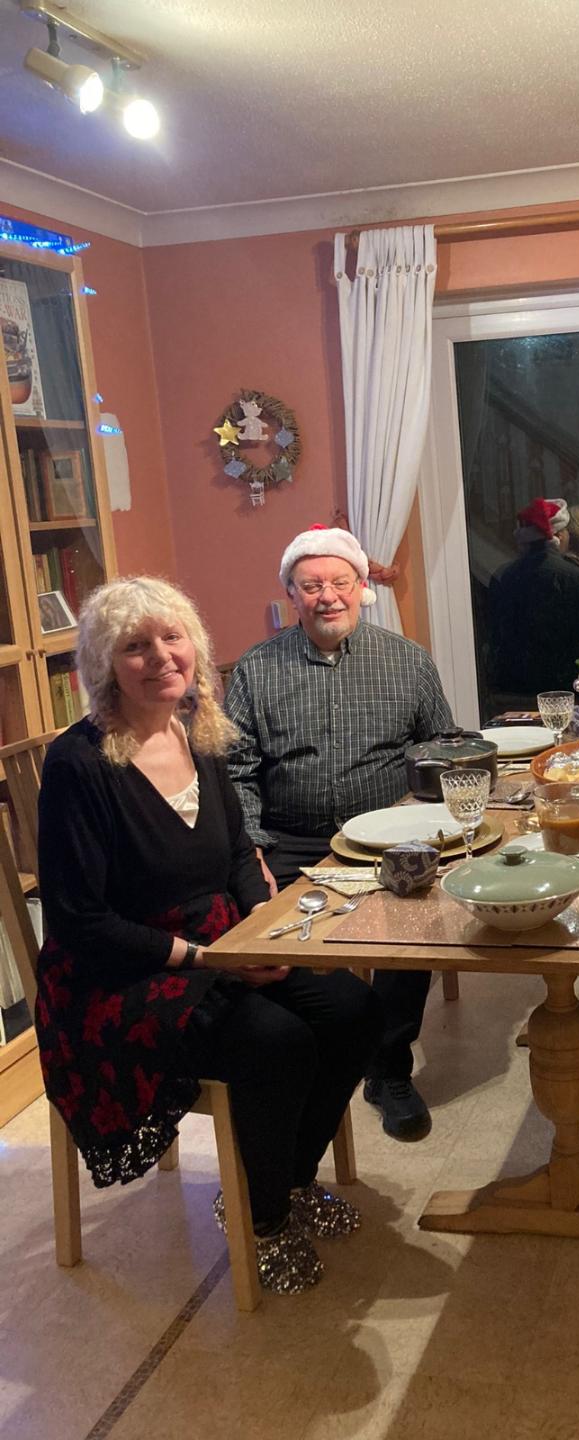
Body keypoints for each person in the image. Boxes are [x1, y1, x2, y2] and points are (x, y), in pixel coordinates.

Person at [34, 577, 381, 1295]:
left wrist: (264, 935)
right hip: (119, 975)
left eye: (173, 637)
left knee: (355, 1011)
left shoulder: (201, 731)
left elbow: (237, 859)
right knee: (275, 1042)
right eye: (135, 646)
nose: (162, 657)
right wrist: (212, 959)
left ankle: (283, 1180)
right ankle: (264, 1220)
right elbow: (80, 922)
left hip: (219, 943)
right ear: (104, 665)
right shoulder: (79, 764)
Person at [225, 525, 454, 1142]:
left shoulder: (408, 661)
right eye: (311, 586)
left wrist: (428, 823)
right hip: (289, 840)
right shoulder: (255, 670)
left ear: (361, 588)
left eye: (339, 582)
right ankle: (307, 1054)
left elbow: (441, 748)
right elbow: (235, 770)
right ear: (291, 595)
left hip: (387, 836)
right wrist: (253, 848)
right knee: (263, 934)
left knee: (415, 925)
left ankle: (388, 1067)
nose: (327, 596)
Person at [488, 497, 579, 704]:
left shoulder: (504, 575)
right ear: (559, 536)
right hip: (565, 687)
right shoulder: (574, 576)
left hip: (514, 686)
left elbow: (496, 632)